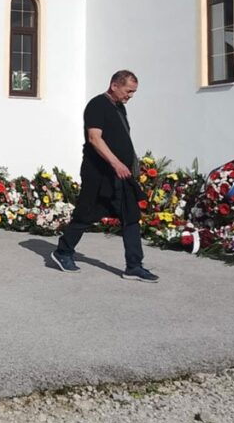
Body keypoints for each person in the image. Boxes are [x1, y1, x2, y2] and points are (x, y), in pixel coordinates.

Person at [51, 70, 159, 282]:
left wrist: (128, 164)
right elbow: (95, 138)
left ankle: (134, 266)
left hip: (120, 174)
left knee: (131, 216)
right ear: (114, 85)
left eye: (133, 92)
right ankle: (63, 252)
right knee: (86, 214)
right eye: (128, 91)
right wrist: (116, 163)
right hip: (98, 173)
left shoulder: (119, 107)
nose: (130, 96)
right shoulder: (97, 105)